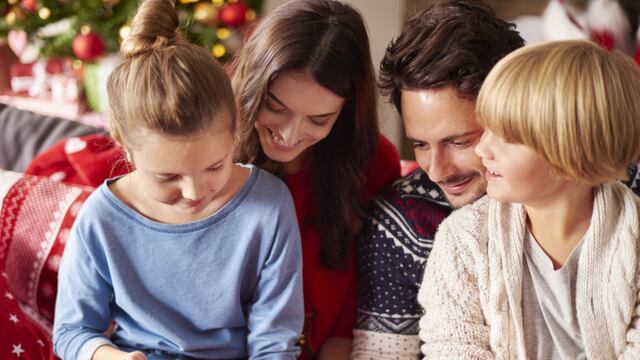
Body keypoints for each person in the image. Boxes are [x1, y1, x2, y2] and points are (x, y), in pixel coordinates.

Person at [52, 1, 304, 359]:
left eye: (215, 166)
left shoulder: (268, 206)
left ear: (235, 135)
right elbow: (73, 331)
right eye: (167, 176)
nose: (194, 192)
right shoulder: (101, 218)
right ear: (126, 150)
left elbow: (274, 344)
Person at [419, 40, 640, 358]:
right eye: (486, 129)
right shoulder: (464, 239)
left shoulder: (632, 241)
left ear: (571, 156)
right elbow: (453, 347)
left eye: (507, 137)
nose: (483, 150)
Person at [352, 1, 524, 358]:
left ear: (514, 112)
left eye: (459, 142)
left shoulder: (615, 194)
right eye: (420, 144)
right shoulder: (399, 225)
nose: (437, 170)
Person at [232, 0, 401, 358]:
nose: (290, 135)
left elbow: (356, 301)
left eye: (318, 120)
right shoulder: (212, 151)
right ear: (252, 84)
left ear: (346, 111)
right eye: (276, 107)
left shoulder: (371, 163)